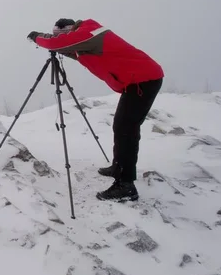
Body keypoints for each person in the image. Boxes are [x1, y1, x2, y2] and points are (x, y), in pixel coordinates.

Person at [27, 18, 164, 202]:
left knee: (126, 129)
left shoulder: (89, 33)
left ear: (70, 30)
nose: (62, 39)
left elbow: (56, 43)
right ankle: (118, 167)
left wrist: (37, 37)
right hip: (136, 81)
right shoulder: (84, 41)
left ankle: (126, 184)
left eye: (63, 35)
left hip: (144, 80)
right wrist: (54, 43)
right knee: (121, 127)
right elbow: (66, 48)